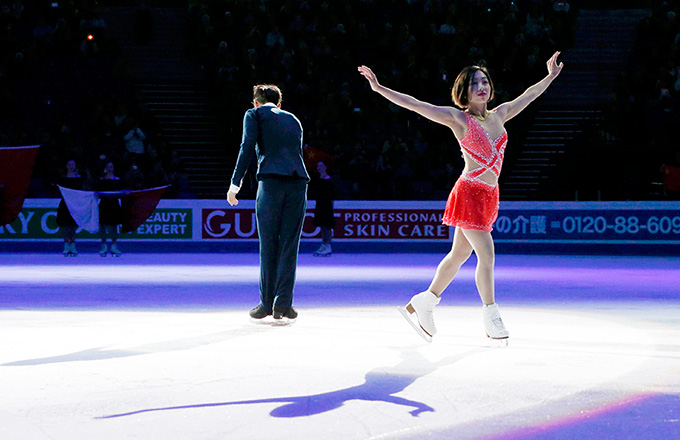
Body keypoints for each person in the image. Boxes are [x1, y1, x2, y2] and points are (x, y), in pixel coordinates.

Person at [358, 51, 563, 345]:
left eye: (484, 82)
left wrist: (550, 76)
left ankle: (426, 301)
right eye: (474, 83)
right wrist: (379, 88)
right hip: (469, 193)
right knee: (486, 254)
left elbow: (529, 95)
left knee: (459, 255)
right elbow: (416, 105)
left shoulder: (501, 114)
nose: (481, 87)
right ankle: (491, 315)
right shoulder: (459, 119)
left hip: (489, 195)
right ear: (463, 92)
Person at [227, 84, 310, 323]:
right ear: (279, 104)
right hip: (298, 183)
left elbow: (247, 147)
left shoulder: (253, 114)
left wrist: (235, 184)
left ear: (256, 102)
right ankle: (283, 303)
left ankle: (266, 303)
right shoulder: (293, 119)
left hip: (271, 183)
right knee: (289, 244)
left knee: (269, 243)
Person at [56, 159, 85, 256]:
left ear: (75, 166)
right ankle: (66, 245)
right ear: (66, 166)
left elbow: (80, 191)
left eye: (73, 164)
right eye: (69, 164)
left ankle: (72, 244)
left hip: (75, 204)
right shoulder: (62, 178)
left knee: (73, 225)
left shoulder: (79, 178)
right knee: (65, 225)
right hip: (65, 204)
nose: (71, 166)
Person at [96, 161, 125, 257]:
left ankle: (114, 246)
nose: (109, 168)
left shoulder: (118, 180)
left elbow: (120, 192)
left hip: (114, 204)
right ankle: (103, 246)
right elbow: (97, 192)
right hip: (104, 204)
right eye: (108, 166)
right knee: (103, 225)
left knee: (114, 226)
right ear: (105, 168)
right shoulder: (100, 180)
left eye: (111, 167)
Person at [311, 160, 335, 257]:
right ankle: (324, 244)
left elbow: (332, 195)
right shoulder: (317, 179)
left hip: (327, 205)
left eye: (321, 166)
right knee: (322, 225)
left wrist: (331, 207)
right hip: (320, 204)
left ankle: (328, 245)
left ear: (325, 167)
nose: (319, 168)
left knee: (327, 225)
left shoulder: (328, 180)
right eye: (318, 166)